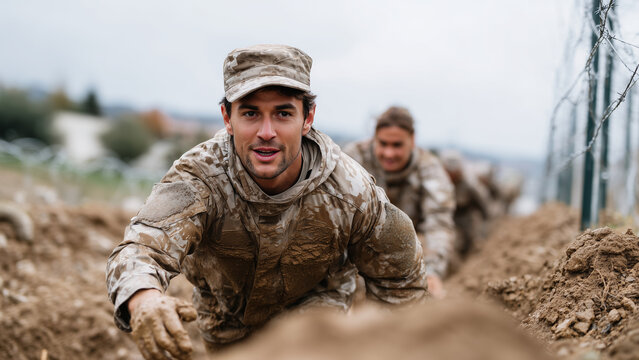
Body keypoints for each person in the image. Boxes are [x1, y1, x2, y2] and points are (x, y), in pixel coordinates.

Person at [106, 44, 427, 360]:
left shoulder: (350, 191)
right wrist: (143, 298)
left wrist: (386, 346)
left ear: (308, 117)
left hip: (315, 324)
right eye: (250, 113)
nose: (266, 132)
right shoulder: (199, 177)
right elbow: (143, 247)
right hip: (227, 321)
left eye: (283, 113)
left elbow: (400, 275)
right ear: (227, 118)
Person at [343, 107, 455, 298]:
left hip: (411, 246)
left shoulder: (430, 169)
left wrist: (432, 272)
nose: (389, 153)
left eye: (397, 145)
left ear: (412, 141)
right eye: (383, 143)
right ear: (374, 138)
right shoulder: (353, 159)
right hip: (358, 242)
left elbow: (438, 224)